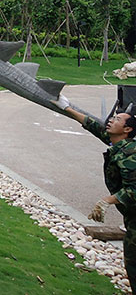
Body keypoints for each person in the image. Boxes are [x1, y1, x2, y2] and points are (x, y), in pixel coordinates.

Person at [54, 94, 136, 291]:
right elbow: (94, 126)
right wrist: (66, 107)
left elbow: (134, 190)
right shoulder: (118, 142)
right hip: (132, 217)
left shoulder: (129, 155)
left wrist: (106, 201)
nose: (111, 120)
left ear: (127, 130)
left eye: (117, 119)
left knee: (133, 263)